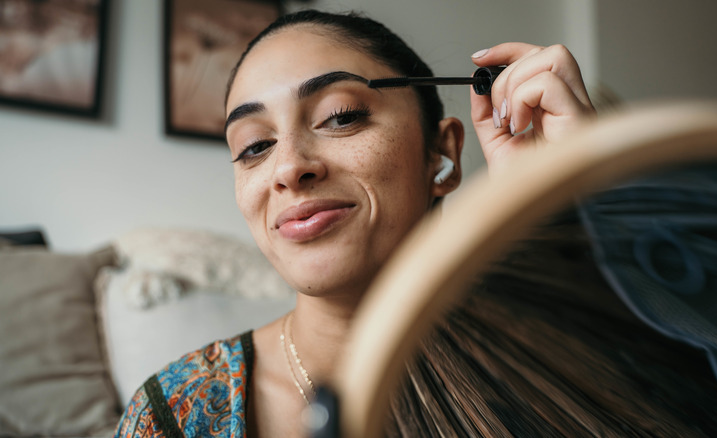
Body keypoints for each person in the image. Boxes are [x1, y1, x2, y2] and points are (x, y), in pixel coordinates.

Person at [113, 9, 598, 437]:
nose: (287, 169)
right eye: (254, 147)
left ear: (442, 153)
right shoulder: (170, 417)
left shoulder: (565, 356)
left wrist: (572, 208)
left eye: (340, 116)